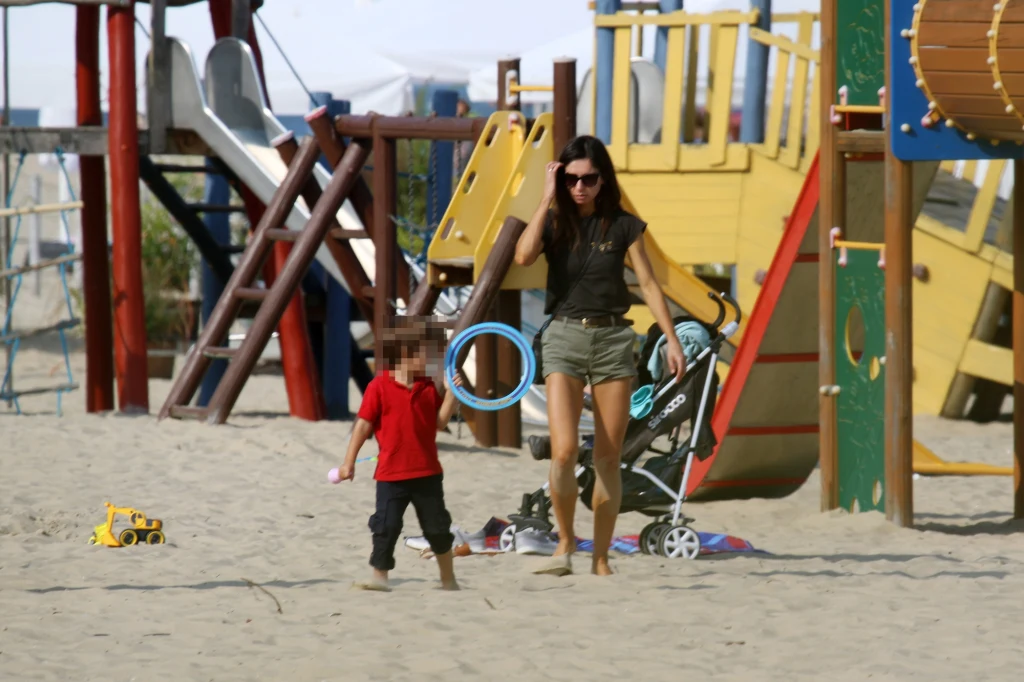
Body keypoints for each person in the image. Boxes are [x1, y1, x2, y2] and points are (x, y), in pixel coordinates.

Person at [514, 135, 687, 577]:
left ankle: (601, 557)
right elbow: (523, 255)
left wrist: (672, 339)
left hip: (612, 341)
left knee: (609, 458)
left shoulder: (625, 226)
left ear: (603, 179)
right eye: (571, 179)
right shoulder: (555, 222)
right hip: (564, 338)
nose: (580, 187)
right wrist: (544, 199)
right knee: (564, 451)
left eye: (589, 179)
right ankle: (566, 541)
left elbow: (648, 284)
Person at [334, 322, 464, 592]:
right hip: (391, 474)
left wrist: (452, 394)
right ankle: (379, 579)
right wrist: (348, 462)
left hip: (427, 473)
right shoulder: (379, 386)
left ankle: (448, 579)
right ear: (404, 354)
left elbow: (438, 423)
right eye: (427, 353)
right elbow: (363, 425)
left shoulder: (428, 387)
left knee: (438, 528)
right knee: (386, 527)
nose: (432, 360)